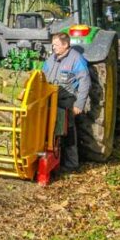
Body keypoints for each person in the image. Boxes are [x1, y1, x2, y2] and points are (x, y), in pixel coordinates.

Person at [42, 32, 90, 172]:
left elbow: (85, 81)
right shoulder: (52, 58)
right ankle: (53, 161)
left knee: (67, 131)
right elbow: (43, 74)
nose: (53, 47)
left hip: (66, 102)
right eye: (53, 45)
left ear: (65, 45)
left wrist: (79, 104)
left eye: (56, 45)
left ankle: (71, 164)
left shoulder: (76, 59)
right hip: (50, 100)